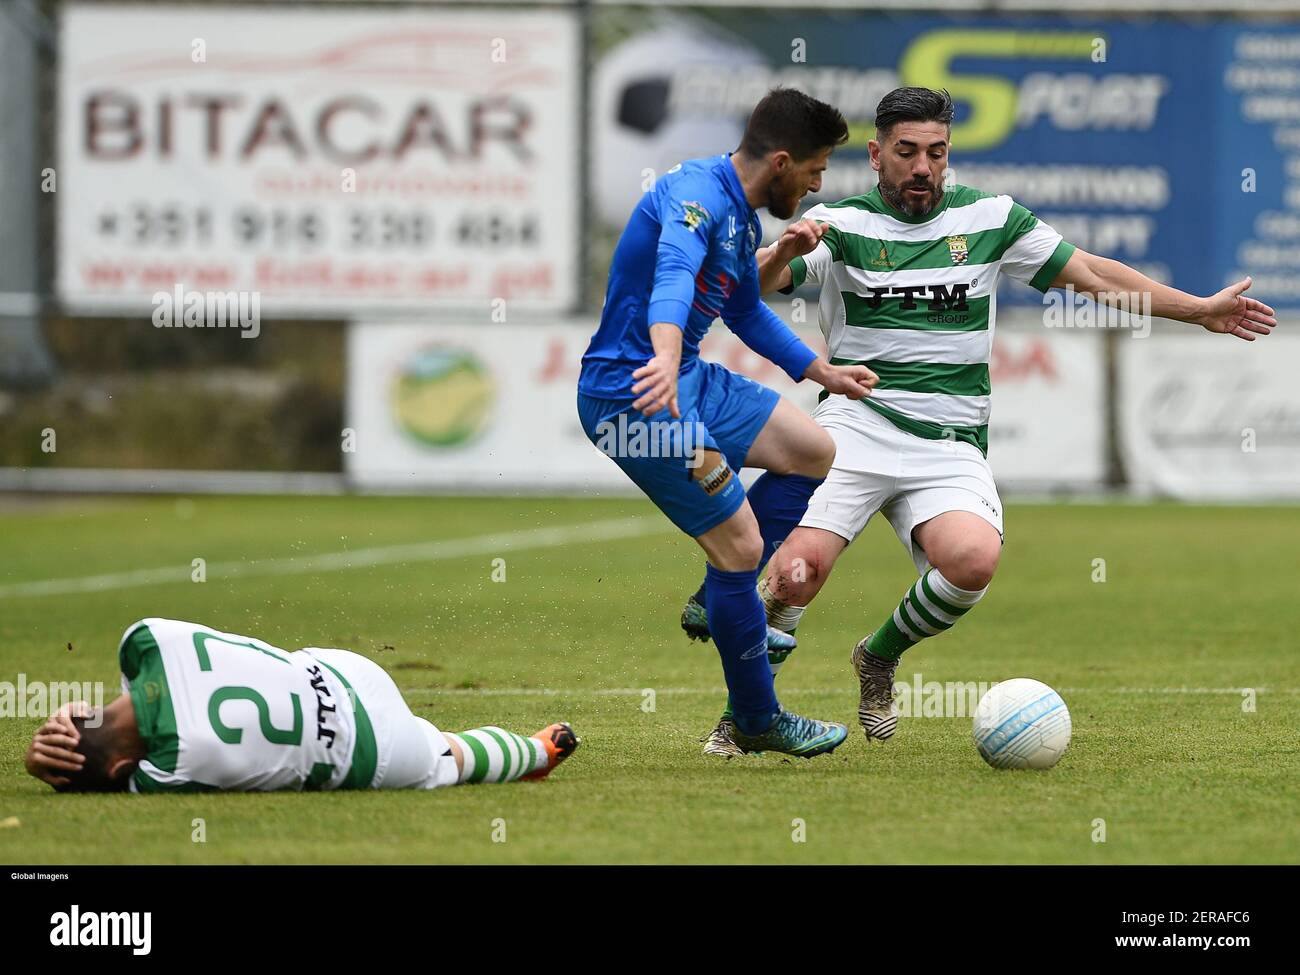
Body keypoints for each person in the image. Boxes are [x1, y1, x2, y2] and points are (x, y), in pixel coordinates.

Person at [685, 86, 1278, 754]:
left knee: (972, 560)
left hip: (949, 440)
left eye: (936, 153)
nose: (922, 167)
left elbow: (1088, 273)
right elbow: (753, 289)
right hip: (854, 428)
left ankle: (878, 656)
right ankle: (748, 716)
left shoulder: (992, 218)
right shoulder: (842, 223)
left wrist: (1197, 309)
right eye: (906, 152)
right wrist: (784, 251)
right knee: (794, 575)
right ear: (876, 155)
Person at [578, 87, 877, 759]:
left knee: (812, 449)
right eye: (816, 169)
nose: (818, 182)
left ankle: (715, 602)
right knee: (741, 550)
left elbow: (742, 312)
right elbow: (673, 279)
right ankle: (755, 718)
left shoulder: (741, 216)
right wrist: (660, 356)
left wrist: (820, 372)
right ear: (780, 161)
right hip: (636, 396)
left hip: (684, 377)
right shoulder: (697, 199)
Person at [24, 617, 578, 792]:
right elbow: (124, 702)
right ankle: (532, 751)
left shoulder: (184, 761)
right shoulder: (145, 639)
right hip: (340, 668)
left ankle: (536, 752)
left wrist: (45, 763)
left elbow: (117, 773)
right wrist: (75, 721)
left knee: (449, 757)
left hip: (375, 748)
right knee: (440, 749)